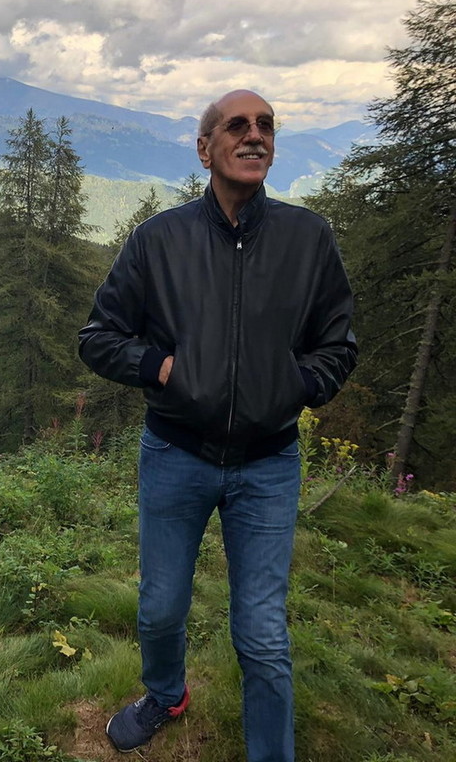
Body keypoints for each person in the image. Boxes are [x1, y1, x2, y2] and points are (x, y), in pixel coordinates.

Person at [78, 89, 357, 762]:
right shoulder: (158, 240)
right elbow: (98, 337)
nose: (254, 134)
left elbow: (338, 344)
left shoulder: (308, 238)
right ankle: (165, 694)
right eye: (237, 125)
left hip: (269, 463)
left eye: (265, 126)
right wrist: (160, 367)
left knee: (262, 633)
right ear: (205, 149)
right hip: (176, 453)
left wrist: (297, 385)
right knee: (160, 608)